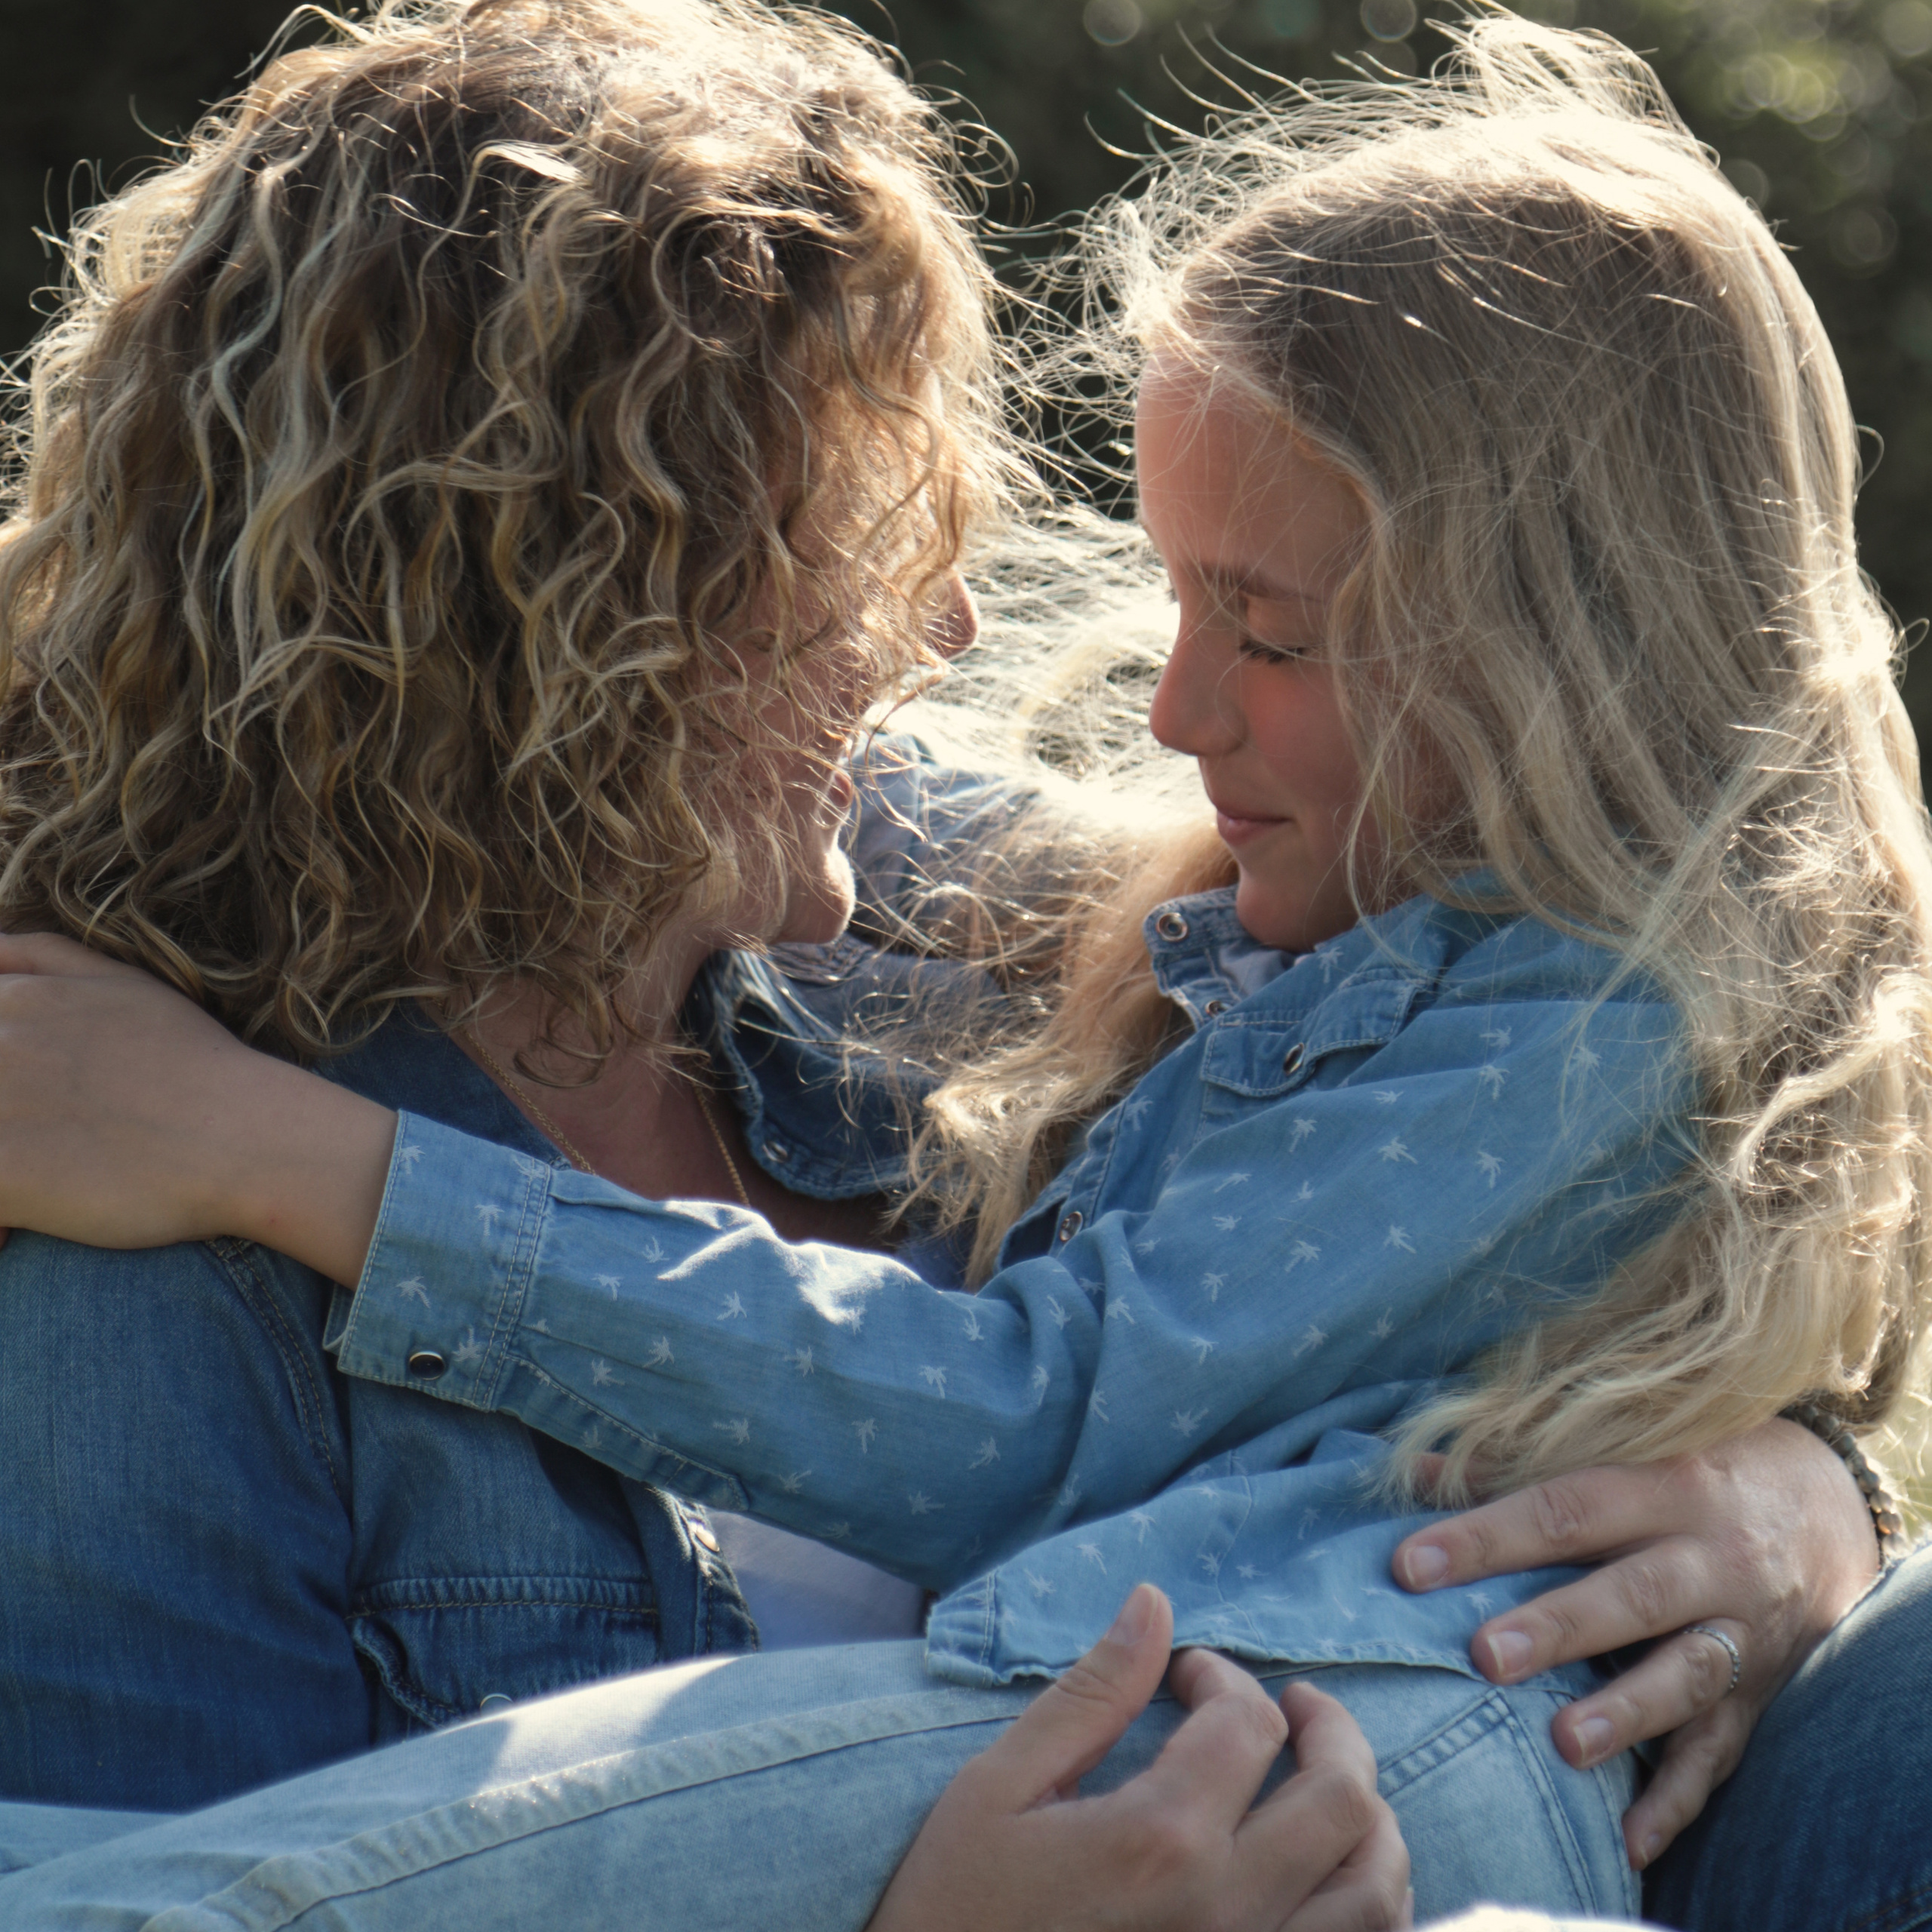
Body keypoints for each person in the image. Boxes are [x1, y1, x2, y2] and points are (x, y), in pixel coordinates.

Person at [0, 7, 1918, 1928]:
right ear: (559, 621)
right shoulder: (128, 1180)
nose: (950, 619)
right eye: (846, 549)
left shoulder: (941, 923)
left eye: (1257, 627)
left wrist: (1785, 1492)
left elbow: (1604, 1095)